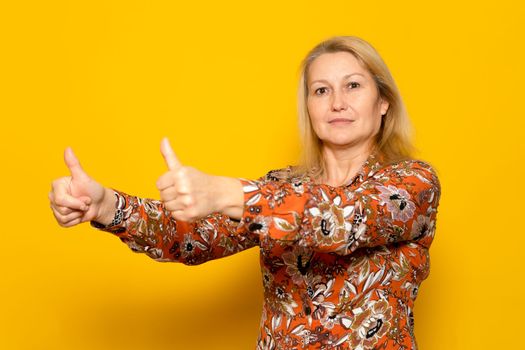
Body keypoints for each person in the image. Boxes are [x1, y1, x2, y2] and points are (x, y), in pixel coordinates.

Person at [49, 36, 441, 349]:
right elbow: (194, 240)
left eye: (352, 86)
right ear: (309, 106)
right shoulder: (279, 187)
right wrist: (105, 205)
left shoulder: (412, 183)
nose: (337, 103)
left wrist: (229, 193)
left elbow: (343, 219)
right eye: (321, 90)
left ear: (383, 101)